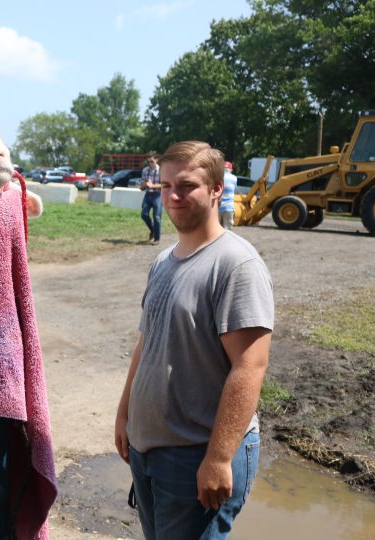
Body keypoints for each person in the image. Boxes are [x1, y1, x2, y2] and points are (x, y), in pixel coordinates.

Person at [114, 141, 274, 539]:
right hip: (150, 448)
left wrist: (219, 458)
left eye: (187, 186)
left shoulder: (236, 264)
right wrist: (124, 414)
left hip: (196, 453)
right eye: (167, 185)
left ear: (217, 189)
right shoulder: (164, 261)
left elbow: (249, 365)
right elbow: (146, 342)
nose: (173, 196)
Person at [140, 153, 162, 245]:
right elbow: (141, 187)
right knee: (144, 215)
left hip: (158, 195)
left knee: (156, 217)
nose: (150, 163)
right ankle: (153, 231)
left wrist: (153, 185)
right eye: (148, 161)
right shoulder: (145, 170)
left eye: (151, 161)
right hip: (148, 194)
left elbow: (165, 185)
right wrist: (145, 184)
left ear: (156, 160)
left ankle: (157, 238)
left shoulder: (161, 170)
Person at [219, 161, 237, 230]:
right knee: (228, 229)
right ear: (231, 169)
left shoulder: (219, 177)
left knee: (217, 229)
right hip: (229, 207)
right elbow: (234, 190)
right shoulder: (234, 178)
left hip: (218, 207)